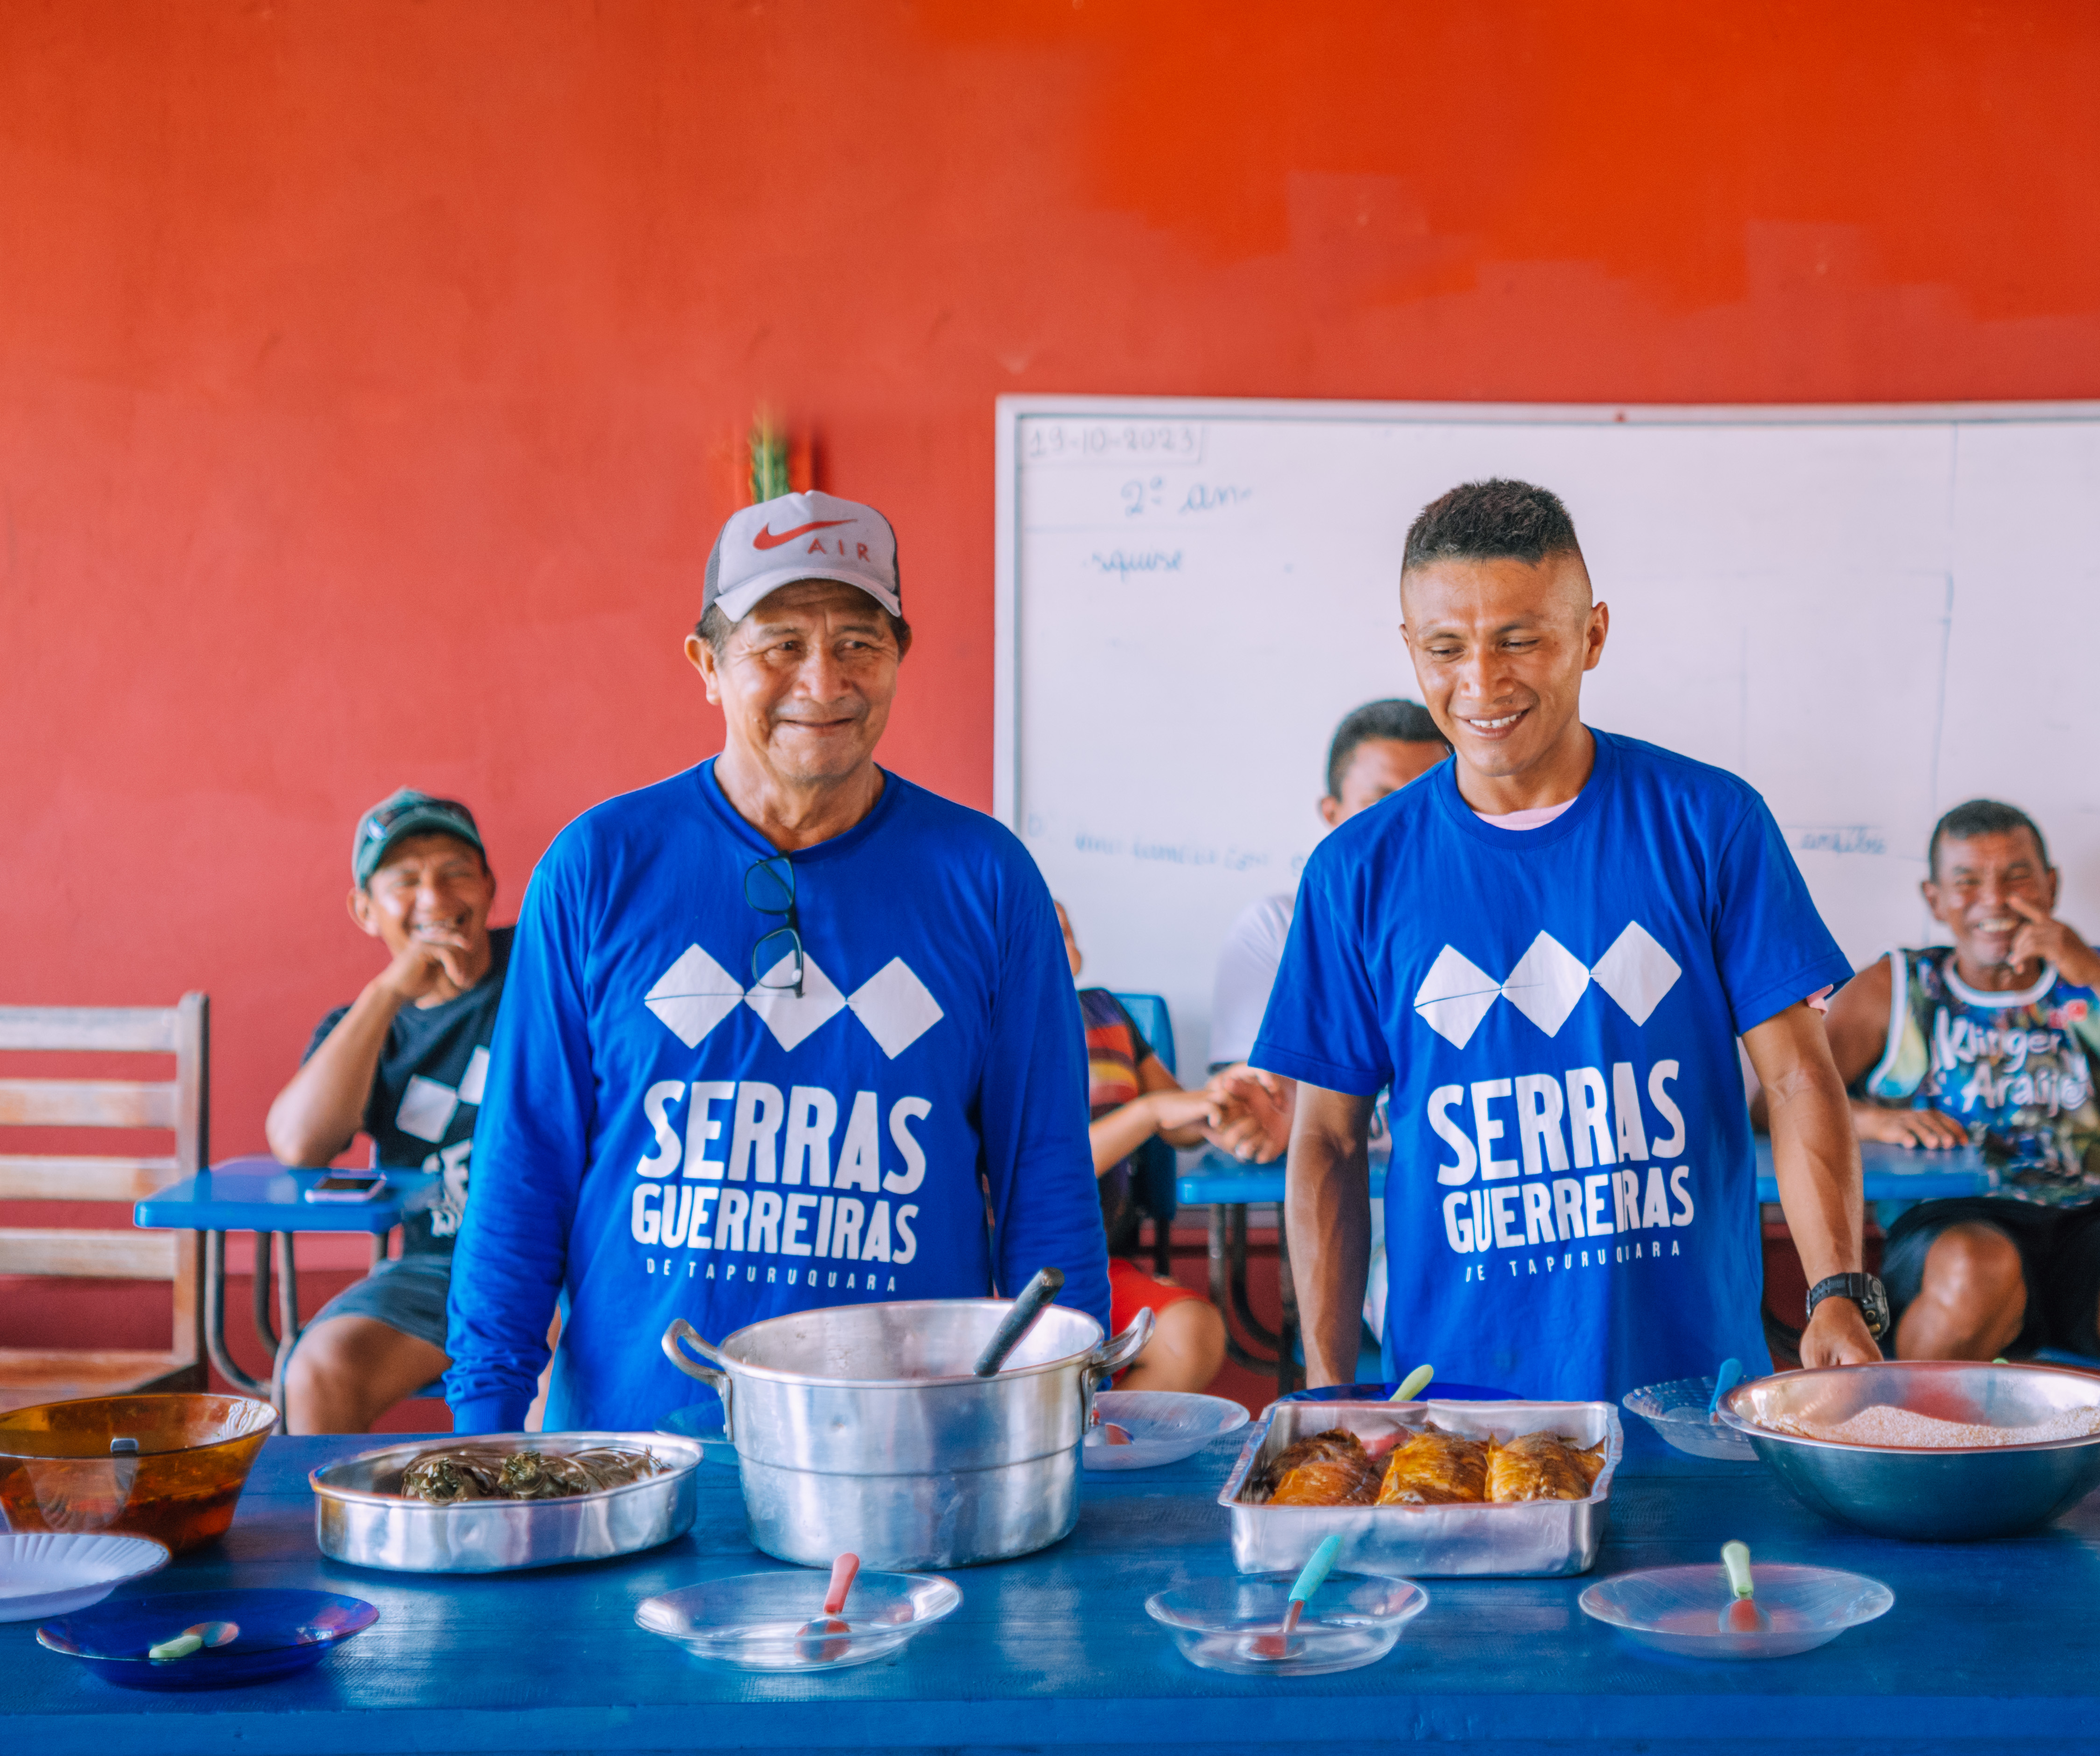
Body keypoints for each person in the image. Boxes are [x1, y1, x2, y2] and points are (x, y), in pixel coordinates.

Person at [441, 491, 1109, 1432]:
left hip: (908, 1448)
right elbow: (522, 1167)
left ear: (898, 659)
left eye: (858, 644)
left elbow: (1045, 1174)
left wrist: (1069, 1407)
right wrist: (485, 1431)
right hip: (637, 1451)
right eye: (779, 643)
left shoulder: (988, 878)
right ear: (707, 664)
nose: (823, 681)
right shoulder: (598, 866)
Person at [1252, 479, 1879, 1396]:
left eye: (1519, 637)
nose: (1480, 681)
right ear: (1408, 648)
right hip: (1459, 1407)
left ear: (1591, 634)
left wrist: (1835, 1290)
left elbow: (1794, 1075)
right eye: (1444, 647)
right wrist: (1326, 1385)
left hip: (1692, 1396)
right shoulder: (1353, 871)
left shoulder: (1709, 822)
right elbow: (1329, 1144)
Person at [1829, 800, 2100, 1394]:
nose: (1994, 899)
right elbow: (1776, 1105)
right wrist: (1870, 1119)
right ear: (1934, 899)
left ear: (2052, 885)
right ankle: (1916, 1458)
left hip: (2092, 1230)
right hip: (1951, 1231)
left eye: (2016, 875)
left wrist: (2095, 976)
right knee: (1978, 1266)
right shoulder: (1895, 988)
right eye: (1967, 881)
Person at [264, 789, 507, 1431]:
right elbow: (299, 1144)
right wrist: (390, 990)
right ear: (365, 910)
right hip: (438, 1266)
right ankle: (333, 1535)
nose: (434, 898)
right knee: (315, 1369)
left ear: (489, 886)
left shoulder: (542, 967)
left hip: (556, 1259)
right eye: (405, 881)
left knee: (553, 1370)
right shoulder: (366, 1029)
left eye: (456, 871)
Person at [1197, 700, 1453, 1164]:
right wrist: (1261, 1113)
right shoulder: (1275, 930)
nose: (1403, 826)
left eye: (1427, 802)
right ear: (1331, 813)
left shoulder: (1498, 926)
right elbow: (1259, 1102)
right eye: (1378, 804)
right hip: (1336, 1199)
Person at [1055, 901, 1230, 1392]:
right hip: (1009, 1276)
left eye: (1067, 928)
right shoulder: (989, 1031)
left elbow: (1177, 1118)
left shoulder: (1108, 1014)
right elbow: (1052, 1172)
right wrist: (1149, 1113)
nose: (1063, 935)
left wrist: (1218, 1107)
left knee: (1190, 1333)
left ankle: (1107, 1455)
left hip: (1099, 1260)